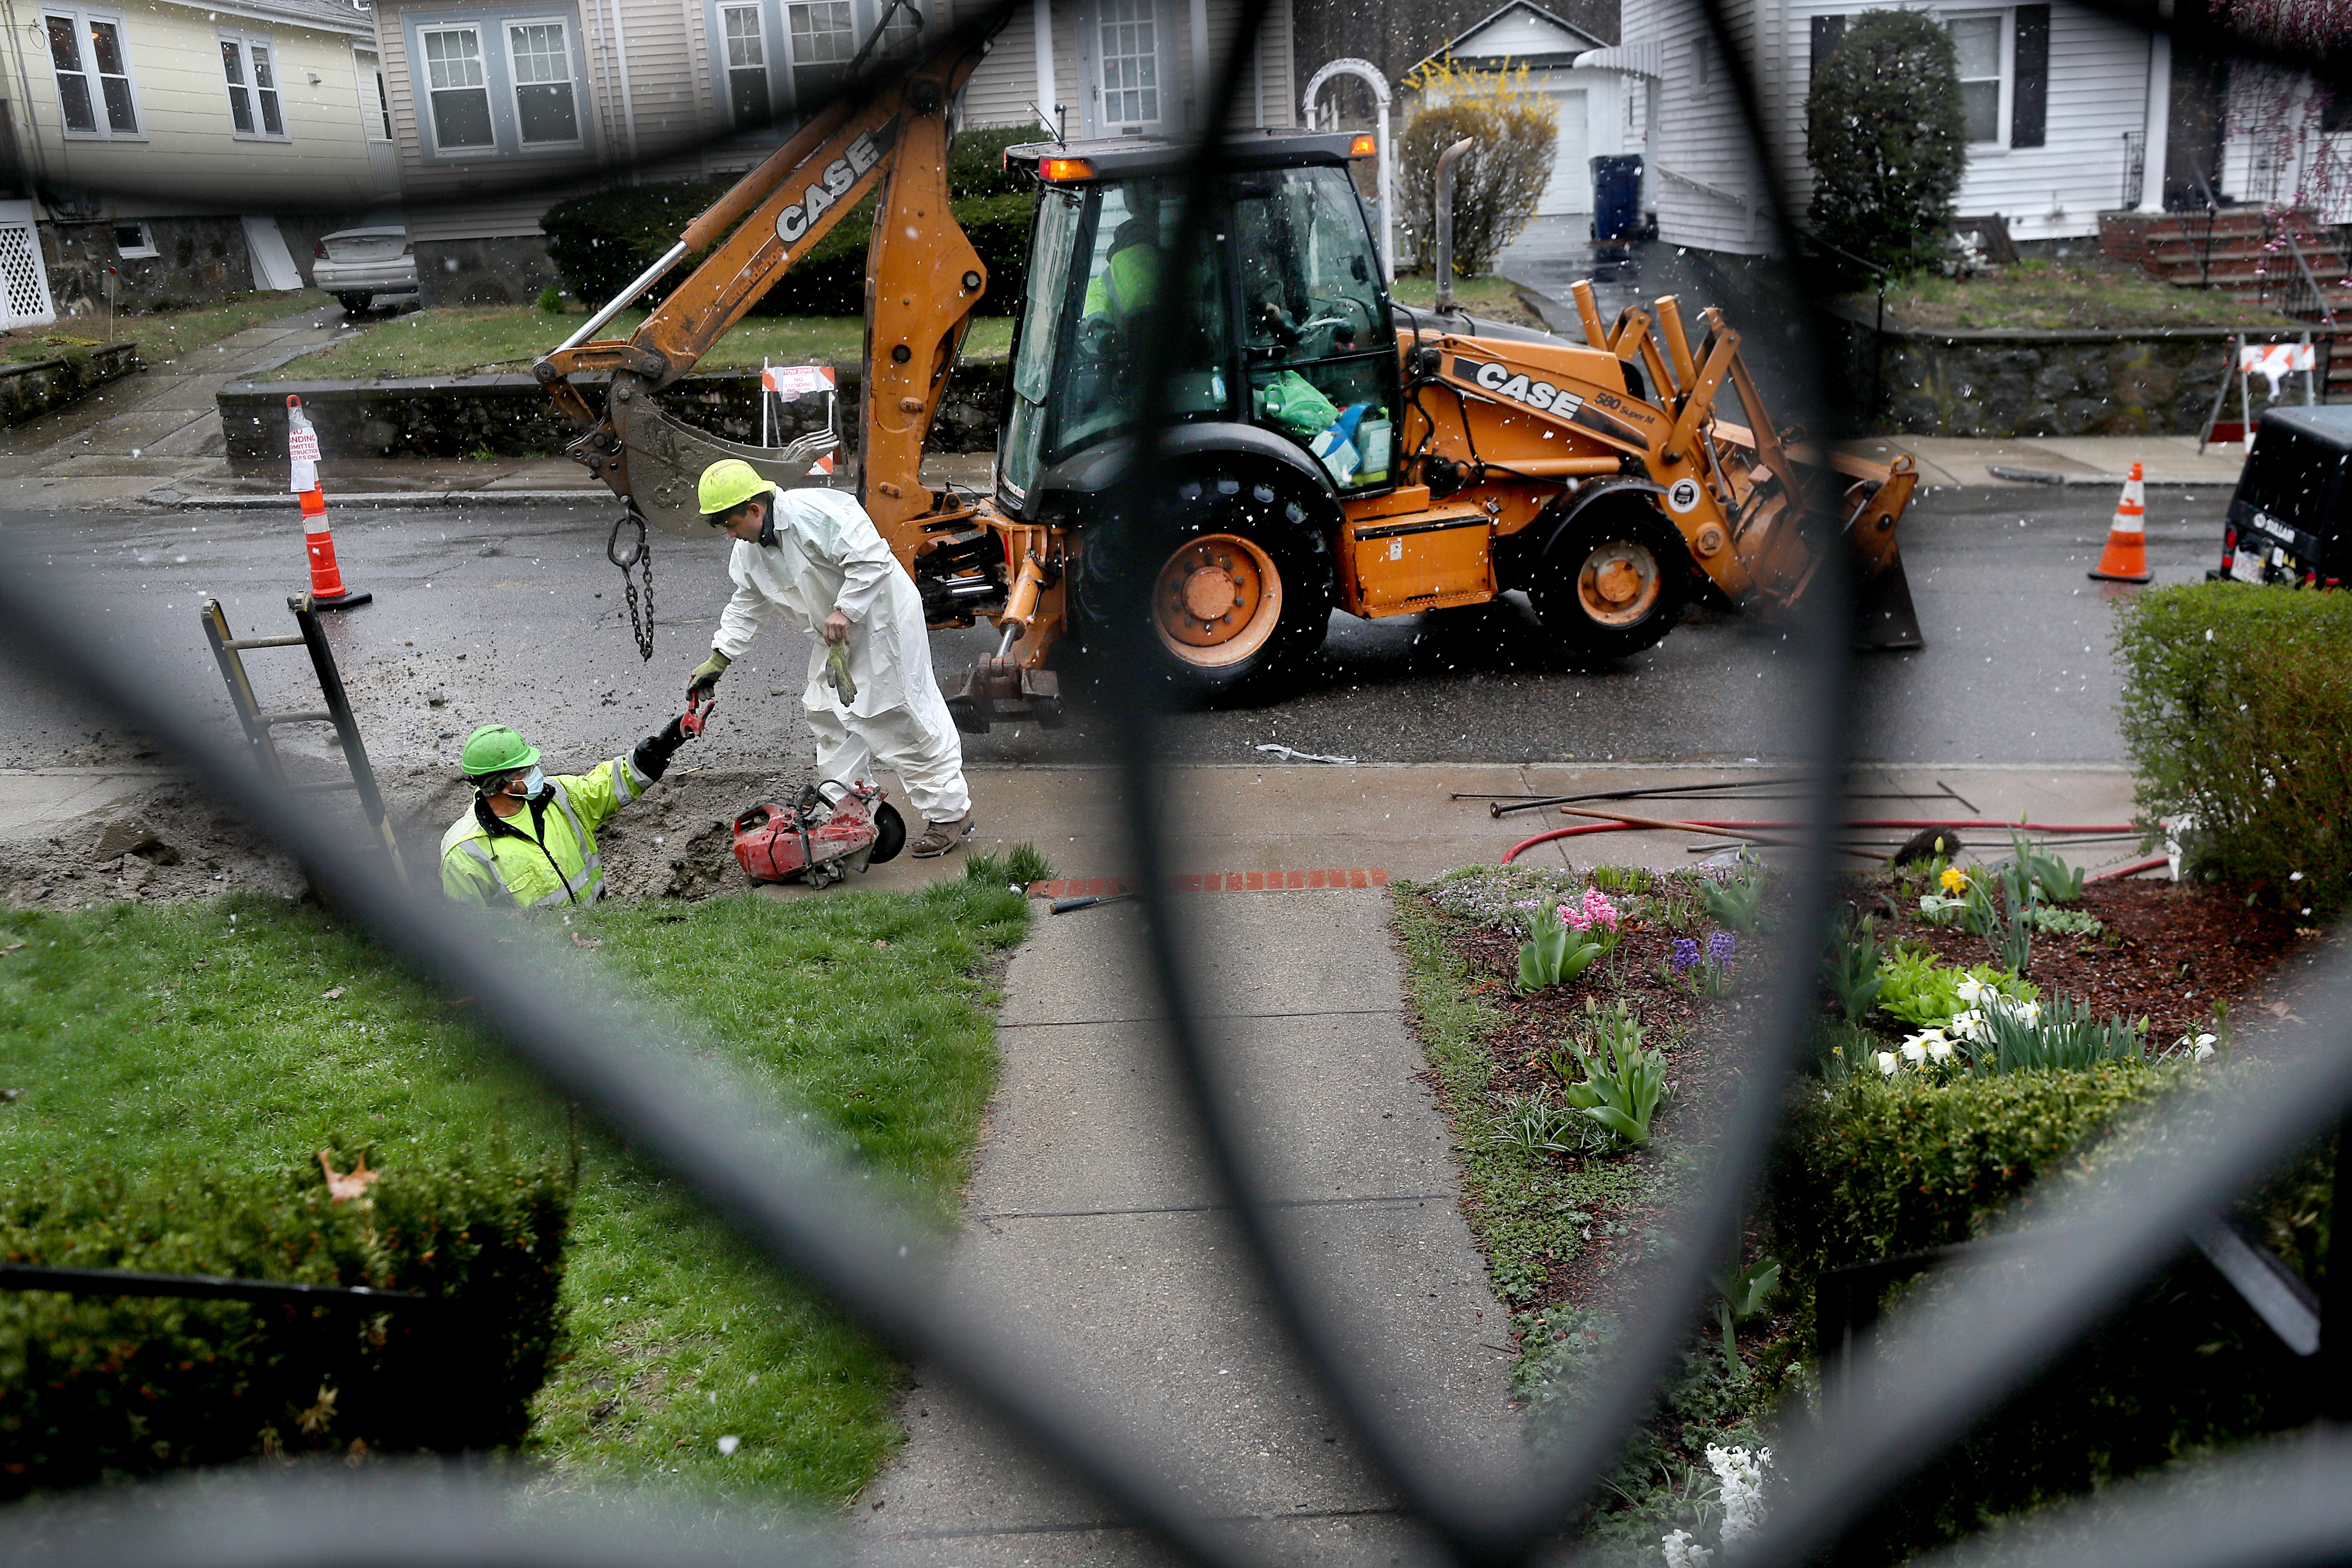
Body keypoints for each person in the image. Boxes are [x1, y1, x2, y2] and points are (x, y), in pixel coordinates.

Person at [686, 459, 973, 858]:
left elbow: (872, 559)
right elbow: (747, 602)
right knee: (828, 714)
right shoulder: (750, 551)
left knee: (898, 714)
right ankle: (852, 817)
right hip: (835, 634)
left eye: (732, 524)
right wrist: (721, 657)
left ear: (755, 509)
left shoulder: (817, 515)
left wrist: (846, 611)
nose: (731, 535)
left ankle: (949, 813)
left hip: (880, 619)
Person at [440, 718, 691, 908]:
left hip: (599, 930)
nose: (536, 773)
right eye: (526, 771)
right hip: (541, 963)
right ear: (500, 785)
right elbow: (470, 933)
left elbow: (607, 786)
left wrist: (660, 749)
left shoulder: (558, 795)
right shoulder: (465, 854)